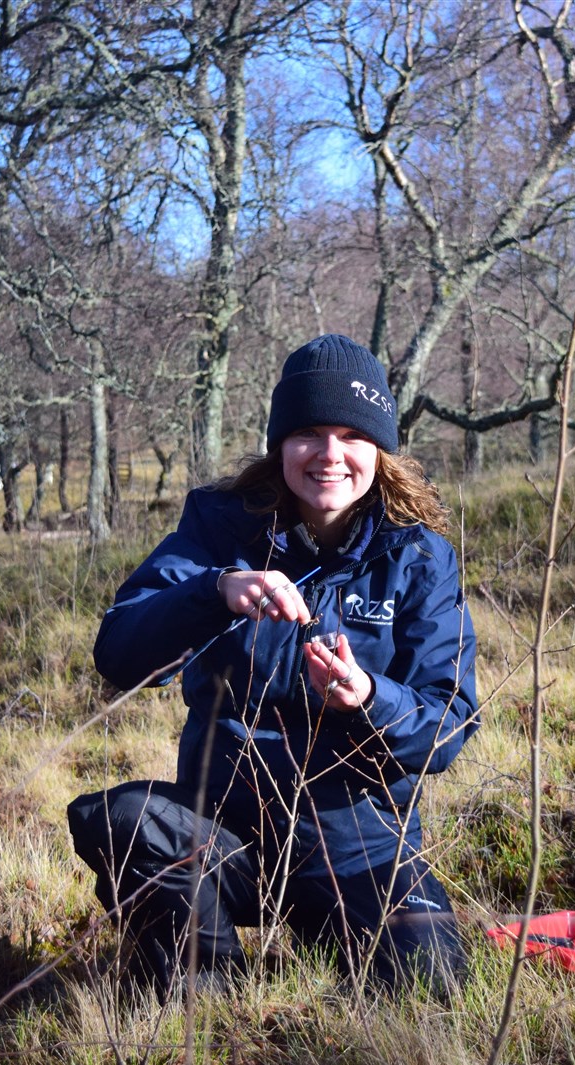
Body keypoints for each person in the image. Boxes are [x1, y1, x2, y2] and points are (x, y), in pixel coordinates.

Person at [67, 333, 479, 1000]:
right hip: (225, 836)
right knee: (127, 820)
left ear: (379, 448)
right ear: (280, 443)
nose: (329, 455)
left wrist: (368, 697)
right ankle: (202, 989)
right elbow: (119, 655)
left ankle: (337, 927)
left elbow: (447, 726)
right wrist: (213, 592)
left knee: (432, 995)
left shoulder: (422, 560)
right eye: (308, 433)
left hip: (363, 848)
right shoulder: (219, 531)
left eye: (352, 435)